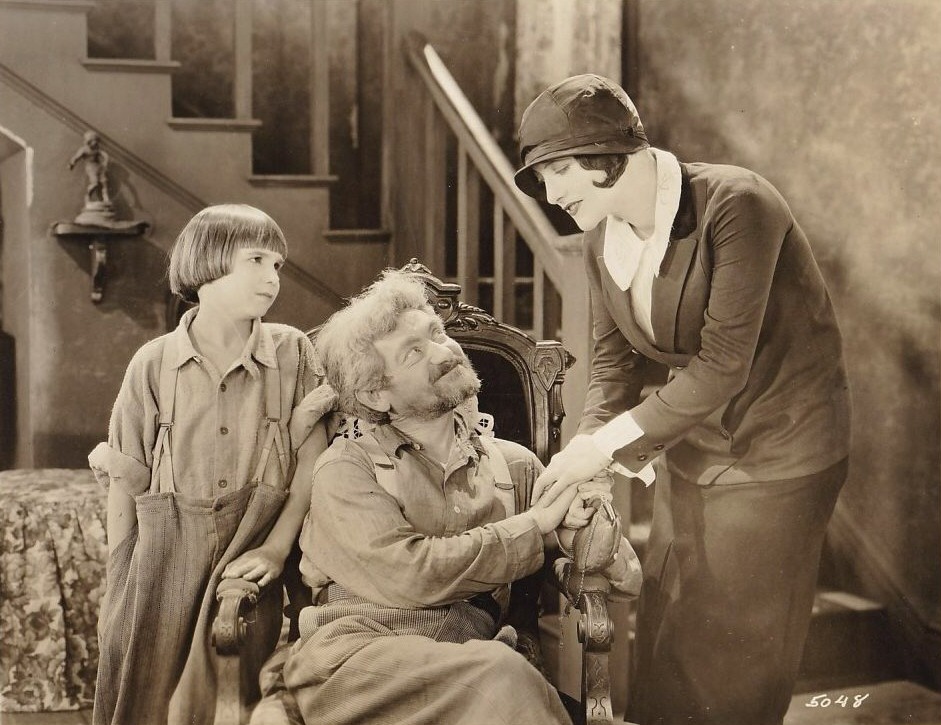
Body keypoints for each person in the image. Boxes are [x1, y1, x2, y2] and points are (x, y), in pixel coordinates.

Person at [514, 74, 851, 725]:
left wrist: (602, 451)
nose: (550, 194)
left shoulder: (738, 204)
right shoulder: (598, 238)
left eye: (557, 171)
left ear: (608, 152)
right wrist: (590, 449)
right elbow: (611, 368)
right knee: (669, 631)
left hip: (778, 454)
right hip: (692, 447)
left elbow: (722, 366)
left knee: (732, 657)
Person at [262, 269, 641, 725]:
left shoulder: (514, 464)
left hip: (469, 659)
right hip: (360, 664)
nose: (445, 352)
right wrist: (536, 527)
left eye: (436, 333)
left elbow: (626, 580)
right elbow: (412, 576)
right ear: (376, 394)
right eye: (414, 352)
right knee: (503, 677)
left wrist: (584, 528)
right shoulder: (346, 468)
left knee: (502, 676)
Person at [88, 204, 331, 725]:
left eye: (279, 266)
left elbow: (312, 461)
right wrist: (119, 589)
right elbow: (125, 483)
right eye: (258, 260)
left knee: (242, 692)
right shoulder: (153, 364)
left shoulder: (292, 353)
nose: (272, 277)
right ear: (208, 260)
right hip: (163, 562)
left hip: (252, 553)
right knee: (147, 692)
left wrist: (275, 547)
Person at [68, 130, 111, 206]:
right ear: (89, 141)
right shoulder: (84, 150)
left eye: (96, 140)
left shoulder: (96, 149)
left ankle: (106, 198)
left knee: (104, 182)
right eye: (93, 141)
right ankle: (88, 195)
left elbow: (104, 154)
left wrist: (106, 161)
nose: (95, 143)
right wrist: (72, 164)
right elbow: (76, 157)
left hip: (99, 167)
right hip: (90, 168)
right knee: (95, 183)